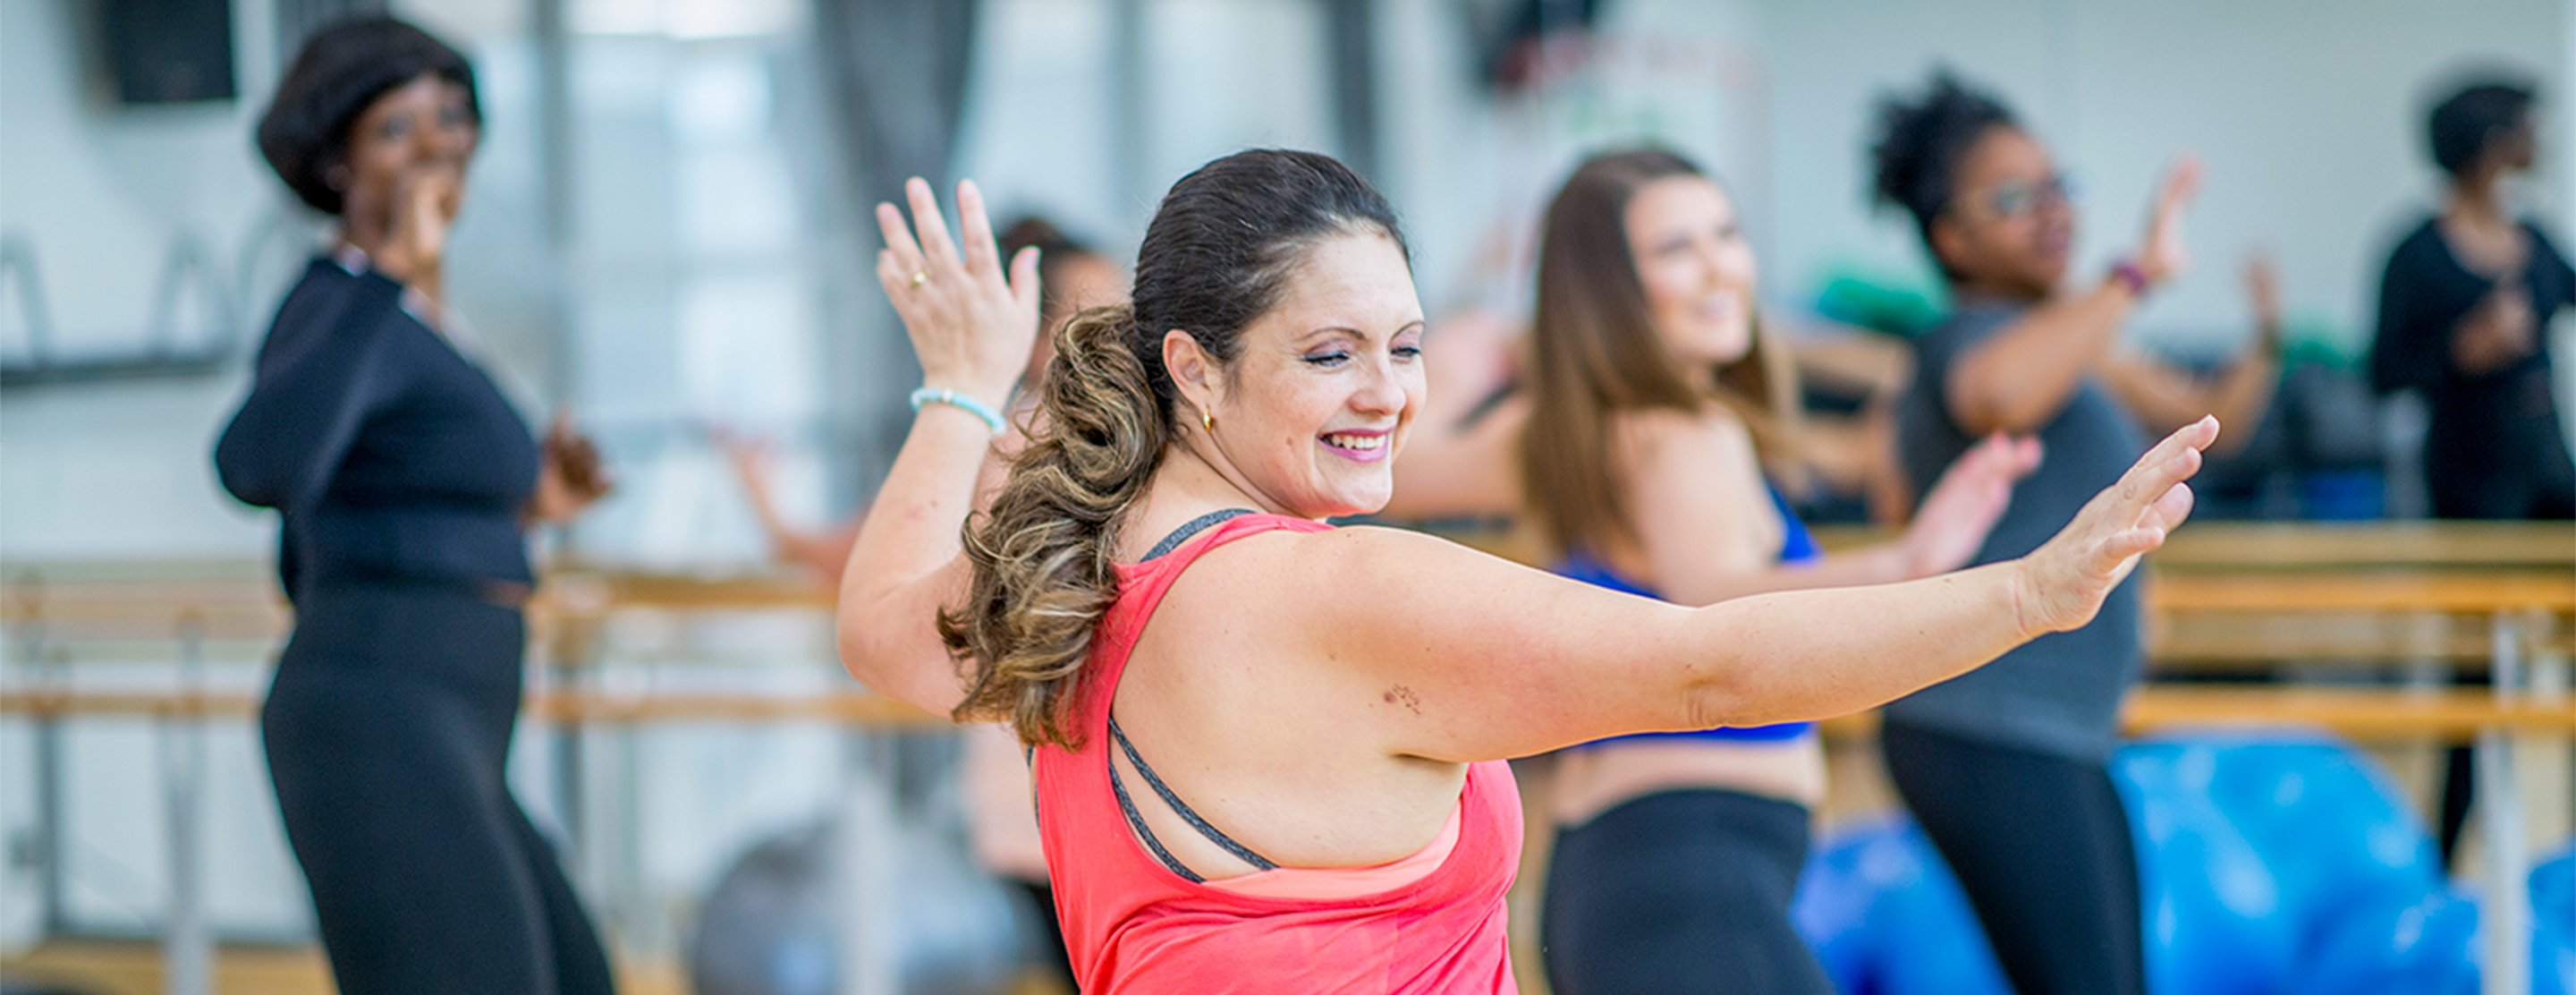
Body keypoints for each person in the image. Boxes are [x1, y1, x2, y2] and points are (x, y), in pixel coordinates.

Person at [837, 149, 2216, 992]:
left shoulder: (1072, 576)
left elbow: (879, 632)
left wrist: (958, 385)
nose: (1389, 395)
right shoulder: (1334, 595)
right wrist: (2032, 594)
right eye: (1331, 355)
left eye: (1408, 345)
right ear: (1195, 369)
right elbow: (1706, 664)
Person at [1385, 148, 2037, 994]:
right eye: (1674, 250)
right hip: (1687, 872)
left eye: (1725, 234)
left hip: (1637, 877)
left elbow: (1392, 473)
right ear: (1609, 292)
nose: (1719, 267)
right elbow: (1721, 608)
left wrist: (1463, 369)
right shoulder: (1679, 433)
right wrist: (1909, 564)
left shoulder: (1572, 431)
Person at [213, 16, 614, 995]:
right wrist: (389, 265)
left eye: (449, 115)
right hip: (377, 709)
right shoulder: (340, 301)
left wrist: (534, 505)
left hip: (455, 715)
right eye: (398, 128)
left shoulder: (420, 321)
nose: (437, 143)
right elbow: (256, 460)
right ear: (337, 167)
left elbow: (386, 501)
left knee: (575, 975)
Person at [1865, 71, 2274, 995]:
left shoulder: (2070, 344)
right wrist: (2133, 272)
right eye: (2014, 198)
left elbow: (2213, 417)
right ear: (1950, 237)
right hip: (1983, 722)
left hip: (2053, 728)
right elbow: (2001, 393)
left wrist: (2266, 330)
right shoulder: (1961, 341)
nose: (2051, 212)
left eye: (2058, 187)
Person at [716, 215, 1123, 990]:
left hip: (1088, 780)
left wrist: (777, 523)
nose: (1120, 327)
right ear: (1032, 333)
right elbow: (876, 565)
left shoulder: (1093, 436)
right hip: (1050, 784)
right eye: (1094, 308)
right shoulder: (1012, 440)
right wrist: (777, 521)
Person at [2369, 72, 2575, 867]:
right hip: (2472, 491)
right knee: (2476, 691)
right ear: (2492, 145)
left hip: (2552, 479)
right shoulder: (2416, 256)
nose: (2539, 142)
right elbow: (2383, 371)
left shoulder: (2538, 239)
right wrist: (2466, 349)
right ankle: (2443, 866)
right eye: (2526, 127)